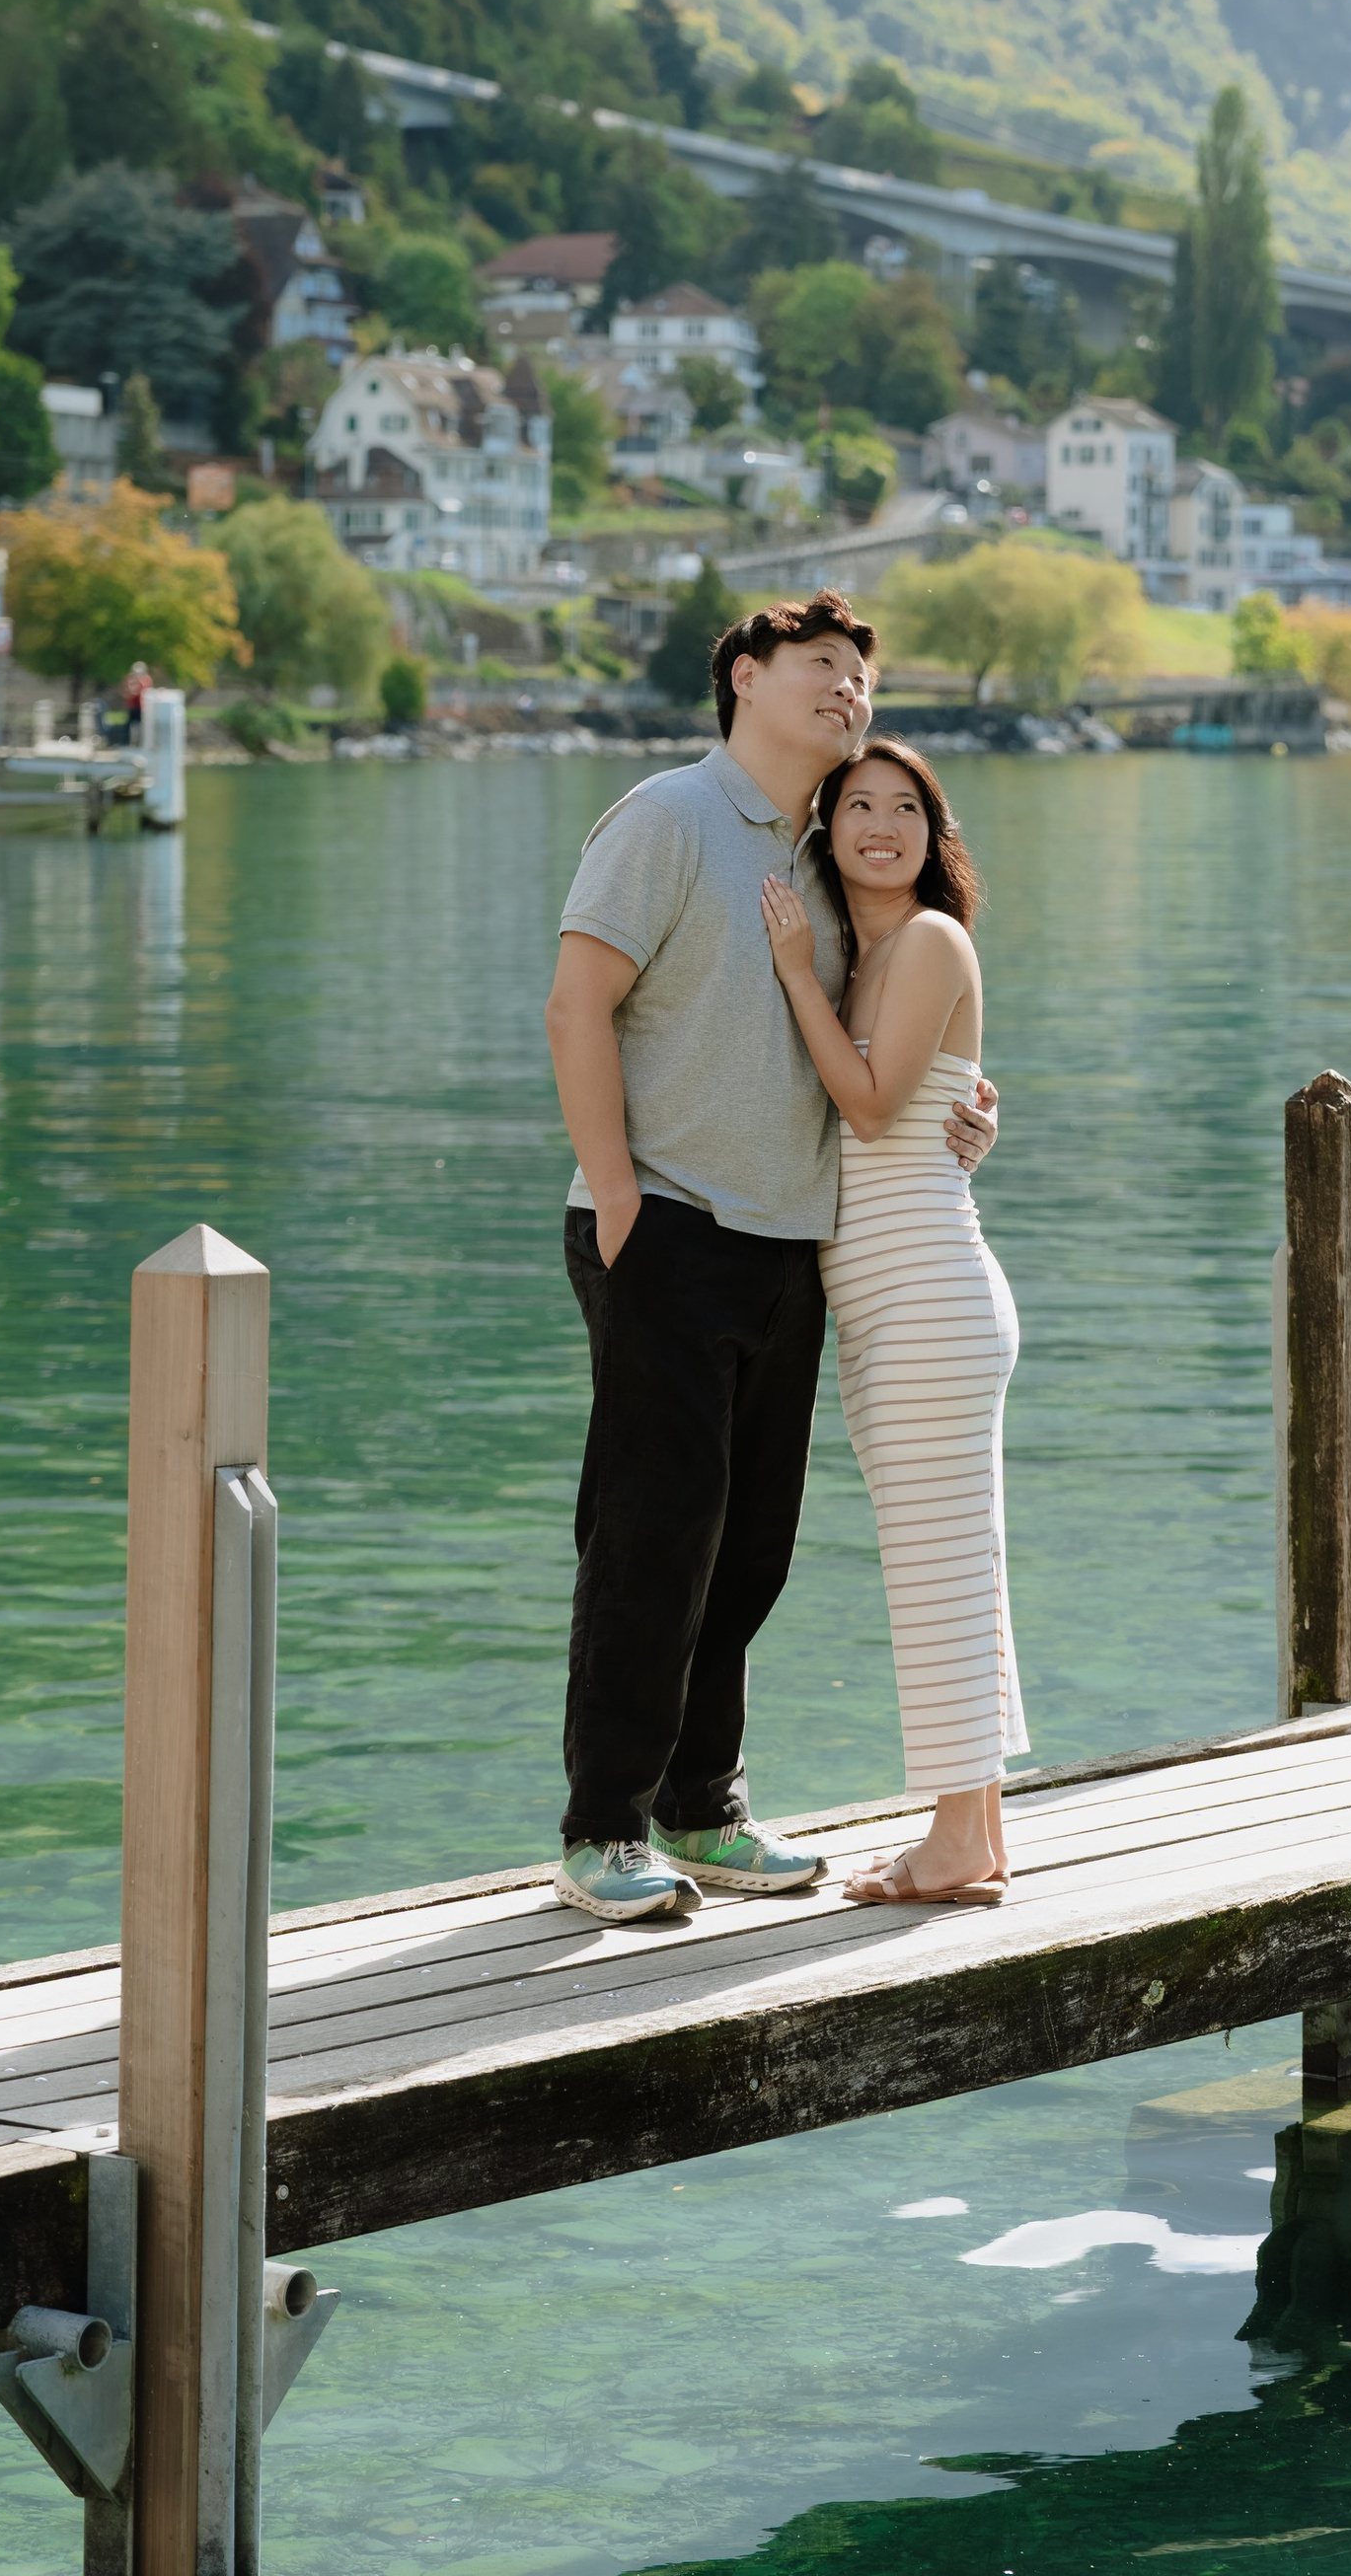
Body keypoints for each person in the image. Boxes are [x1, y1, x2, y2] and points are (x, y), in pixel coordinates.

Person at [543, 593, 998, 1924]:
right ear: (743, 676)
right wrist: (621, 1200)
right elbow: (578, 1003)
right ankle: (602, 1828)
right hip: (668, 1226)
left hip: (792, 1243)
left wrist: (969, 1102)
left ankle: (702, 1807)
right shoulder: (669, 818)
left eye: (863, 674)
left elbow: (883, 1042)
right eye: (820, 667)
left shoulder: (818, 858)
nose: (847, 689)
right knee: (650, 1535)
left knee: (748, 1549)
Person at [762, 738, 1025, 1906]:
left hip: (923, 1290)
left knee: (938, 1568)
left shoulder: (923, 941)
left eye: (904, 807)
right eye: (856, 805)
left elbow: (869, 1113)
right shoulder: (868, 962)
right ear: (826, 833)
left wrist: (788, 978)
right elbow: (925, 1105)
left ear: (934, 831)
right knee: (951, 1565)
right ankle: (974, 1831)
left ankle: (957, 1839)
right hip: (892, 1300)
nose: (880, 823)